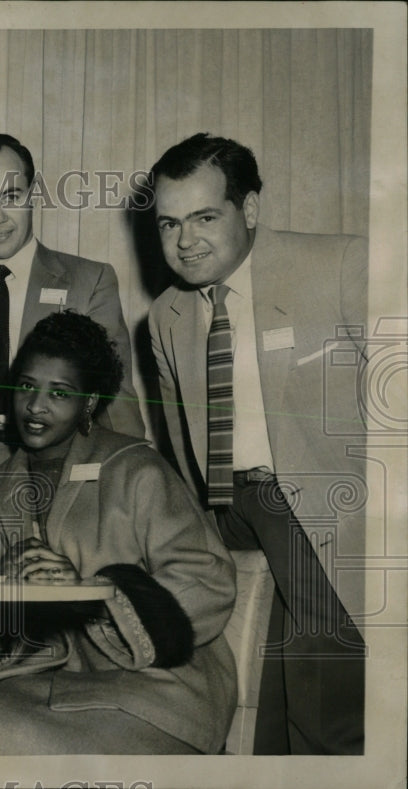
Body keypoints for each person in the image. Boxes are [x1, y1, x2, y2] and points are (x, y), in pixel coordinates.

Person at [147, 132, 366, 754]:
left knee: (324, 692)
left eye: (204, 217)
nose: (185, 241)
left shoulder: (342, 264)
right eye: (169, 224)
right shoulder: (163, 315)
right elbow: (175, 442)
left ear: (250, 209)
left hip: (317, 503)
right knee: (241, 687)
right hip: (223, 510)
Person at [0, 311, 237, 754]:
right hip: (45, 684)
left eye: (60, 393)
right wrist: (0, 587)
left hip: (157, 690)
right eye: (27, 386)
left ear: (88, 402)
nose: (36, 406)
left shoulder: (136, 469)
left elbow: (209, 579)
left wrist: (91, 593)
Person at [0, 132, 144, 472]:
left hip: (53, 475)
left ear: (33, 195)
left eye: (10, 196)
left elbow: (115, 402)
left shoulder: (89, 282)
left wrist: (133, 476)